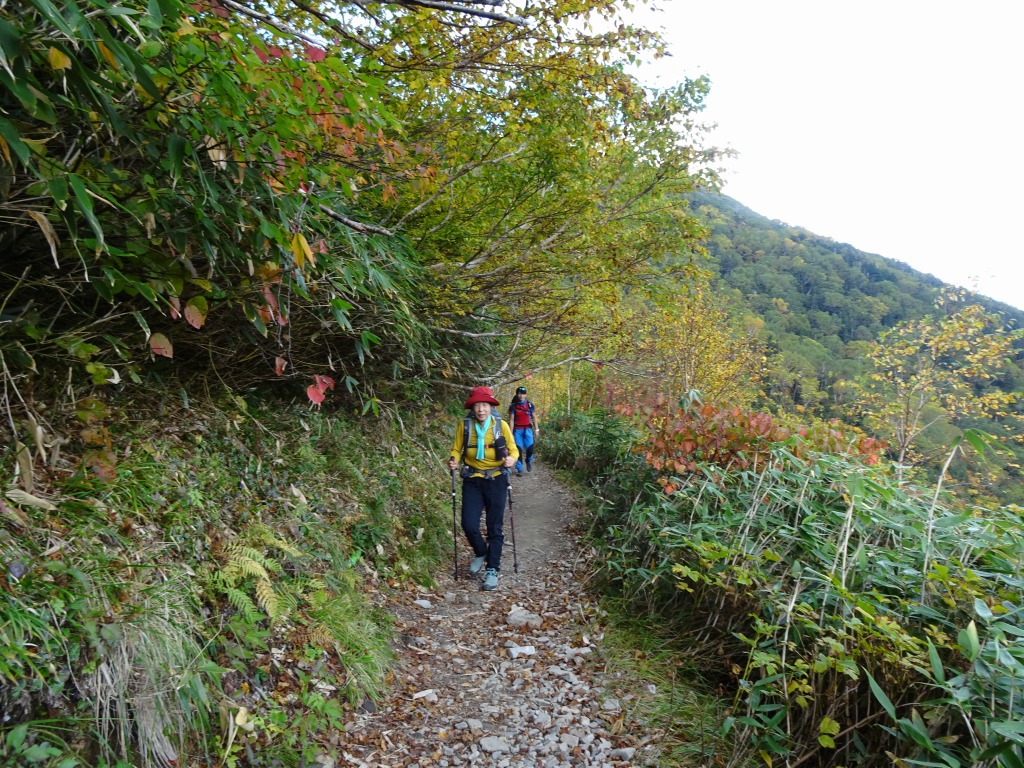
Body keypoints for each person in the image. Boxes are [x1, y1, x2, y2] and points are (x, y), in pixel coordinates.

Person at [447, 386, 519, 591]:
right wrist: (454, 460)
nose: (481, 409)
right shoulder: (465, 426)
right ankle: (481, 551)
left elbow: (513, 449)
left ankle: (492, 569)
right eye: (477, 405)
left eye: (484, 405)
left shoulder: (500, 425)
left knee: (494, 527)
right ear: (472, 407)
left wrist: (512, 459)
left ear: (490, 407)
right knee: (468, 524)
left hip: (497, 479)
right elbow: (456, 448)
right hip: (473, 479)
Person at [507, 386, 538, 477]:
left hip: (528, 429)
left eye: (523, 394)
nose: (521, 395)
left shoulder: (530, 405)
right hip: (517, 430)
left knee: (530, 448)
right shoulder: (513, 406)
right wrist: (510, 433)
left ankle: (528, 461)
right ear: (517, 394)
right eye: (519, 394)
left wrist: (536, 429)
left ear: (526, 394)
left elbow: (534, 417)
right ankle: (519, 469)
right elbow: (511, 420)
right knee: (518, 449)